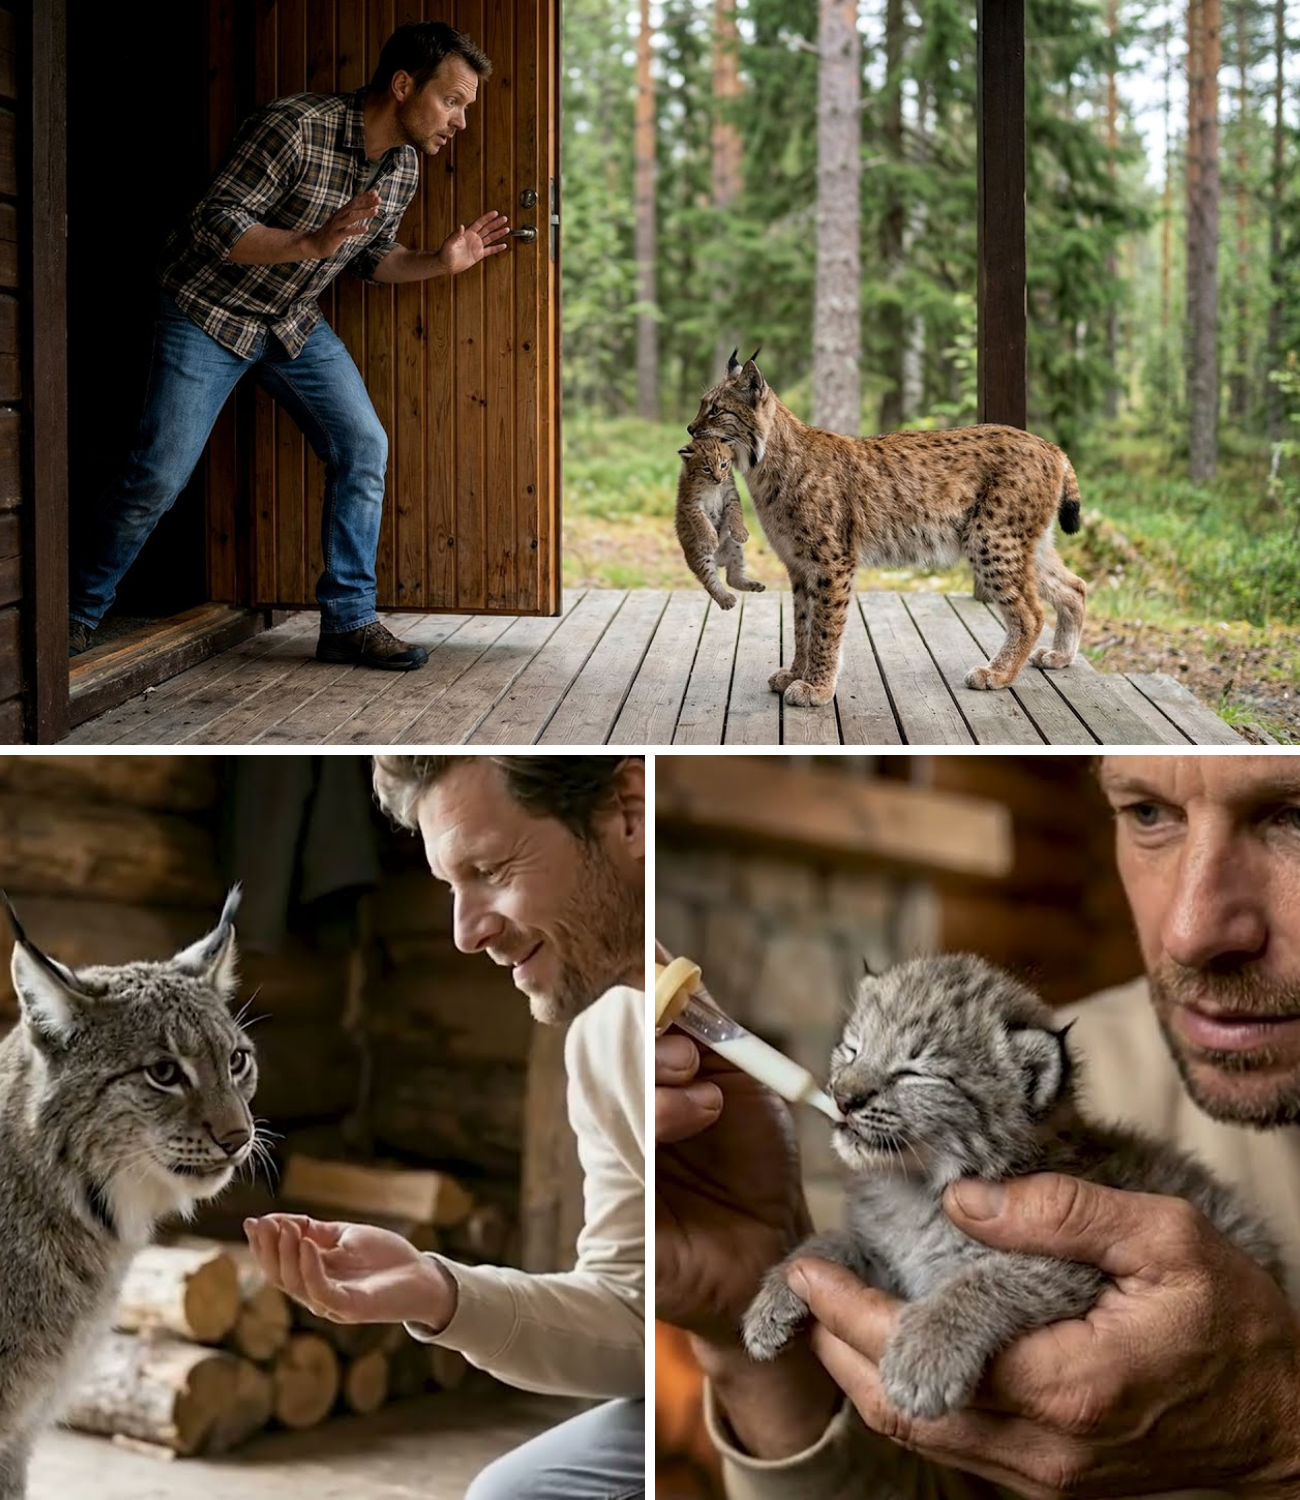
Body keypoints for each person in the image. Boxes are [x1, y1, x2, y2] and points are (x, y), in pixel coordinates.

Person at [657, 754, 1300, 1500]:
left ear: (1028, 1085)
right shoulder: (1093, 1058)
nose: (1191, 931)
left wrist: (1279, 1441)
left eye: (1294, 814)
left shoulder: (1060, 1132)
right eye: (1148, 811)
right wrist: (745, 1348)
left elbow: (1053, 1277)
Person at [247, 754, 646, 1500]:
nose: (464, 933)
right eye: (448, 887)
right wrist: (438, 1291)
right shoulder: (600, 1043)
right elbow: (632, 1315)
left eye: (490, 867)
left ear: (629, 810)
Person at [69, 23, 510, 671]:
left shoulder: (404, 164)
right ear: (402, 85)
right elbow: (214, 224)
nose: (461, 121)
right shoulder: (294, 127)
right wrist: (309, 243)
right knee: (159, 473)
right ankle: (76, 615)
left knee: (363, 447)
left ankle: (348, 621)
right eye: (453, 101)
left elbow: (371, 258)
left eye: (465, 108)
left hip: (289, 321)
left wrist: (437, 264)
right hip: (205, 312)